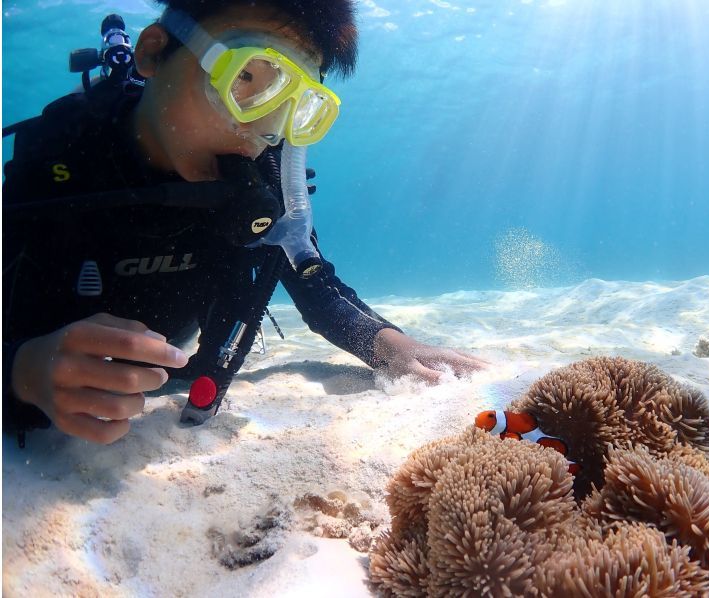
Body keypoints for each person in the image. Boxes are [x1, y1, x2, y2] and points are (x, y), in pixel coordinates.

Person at [3, 0, 486, 446]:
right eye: (248, 79)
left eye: (293, 105)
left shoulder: (266, 177)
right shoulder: (56, 161)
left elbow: (315, 287)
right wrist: (22, 372)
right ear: (152, 53)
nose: (261, 129)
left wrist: (389, 347)